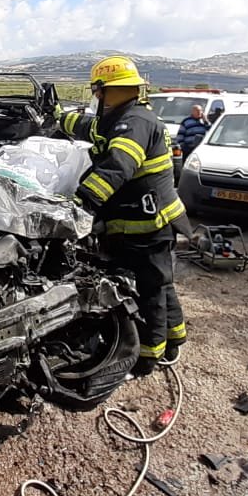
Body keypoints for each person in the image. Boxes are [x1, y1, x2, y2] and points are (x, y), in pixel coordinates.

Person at [54, 55, 186, 377]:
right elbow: (88, 127)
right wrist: (57, 117)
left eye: (99, 91)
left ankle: (149, 356)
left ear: (108, 90)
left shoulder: (135, 123)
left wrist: (81, 203)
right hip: (146, 222)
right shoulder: (121, 116)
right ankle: (175, 336)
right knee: (162, 283)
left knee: (153, 289)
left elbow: (118, 167)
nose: (96, 98)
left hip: (149, 225)